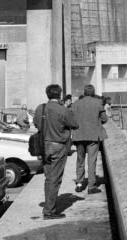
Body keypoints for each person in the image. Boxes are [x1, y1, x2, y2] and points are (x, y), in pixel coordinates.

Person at [34, 84, 79, 219]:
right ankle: (49, 211)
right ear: (59, 94)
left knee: (48, 178)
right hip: (58, 146)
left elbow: (36, 124)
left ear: (47, 94)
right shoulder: (62, 110)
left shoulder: (40, 108)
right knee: (55, 179)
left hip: (44, 146)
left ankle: (48, 205)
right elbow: (75, 124)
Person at [70, 84, 108, 194]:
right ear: (93, 92)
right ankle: (91, 186)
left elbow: (71, 119)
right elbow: (104, 119)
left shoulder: (75, 104)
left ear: (84, 92)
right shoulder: (98, 103)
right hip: (93, 135)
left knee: (80, 159)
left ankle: (79, 183)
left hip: (79, 135)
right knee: (92, 161)